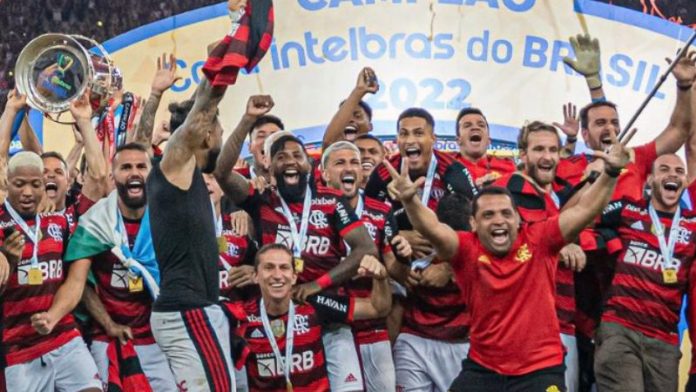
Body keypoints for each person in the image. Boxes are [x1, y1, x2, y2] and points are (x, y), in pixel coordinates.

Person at [386, 128, 630, 391]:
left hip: (540, 370)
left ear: (517, 219)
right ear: (473, 223)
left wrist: (611, 173)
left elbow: (585, 209)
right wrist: (410, 200)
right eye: (488, 215)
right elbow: (432, 228)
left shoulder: (540, 239)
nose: (499, 220)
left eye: (505, 213)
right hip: (484, 368)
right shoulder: (466, 248)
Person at [216, 122, 377, 391]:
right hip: (279, 316)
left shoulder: (332, 201)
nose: (290, 161)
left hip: (327, 312)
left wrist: (318, 284)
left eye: (297, 156)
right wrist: (246, 120)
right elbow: (221, 171)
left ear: (309, 165)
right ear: (269, 167)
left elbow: (366, 249)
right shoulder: (261, 199)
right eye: (281, 156)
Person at [146, 70, 235, 391]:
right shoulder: (176, 166)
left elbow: (201, 103)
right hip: (188, 312)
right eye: (221, 132)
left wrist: (220, 59)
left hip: (189, 310)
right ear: (208, 135)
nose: (221, 141)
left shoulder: (187, 173)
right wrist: (227, 64)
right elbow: (203, 110)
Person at [63, 143, 176, 391]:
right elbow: (79, 284)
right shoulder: (95, 222)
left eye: (141, 166)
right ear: (113, 177)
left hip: (157, 337)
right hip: (109, 336)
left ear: (152, 174)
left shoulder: (168, 220)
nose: (134, 172)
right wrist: (109, 324)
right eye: (126, 167)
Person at [493, 121, 586, 392]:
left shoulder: (563, 196)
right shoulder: (505, 189)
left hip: (563, 322)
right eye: (538, 149)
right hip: (520, 328)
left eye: (552, 150)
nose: (547, 156)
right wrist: (555, 243)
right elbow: (496, 240)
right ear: (522, 154)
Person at [592, 153, 696, 392]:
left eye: (679, 172)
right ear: (649, 180)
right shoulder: (628, 209)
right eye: (664, 169)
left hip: (665, 341)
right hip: (620, 329)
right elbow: (585, 216)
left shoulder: (693, 224)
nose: (672, 175)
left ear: (686, 181)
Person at [225, 243, 391, 392]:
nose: (277, 275)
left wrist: (381, 278)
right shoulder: (241, 315)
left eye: (284, 268)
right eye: (269, 267)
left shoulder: (313, 305)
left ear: (294, 276)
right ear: (255, 276)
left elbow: (377, 308)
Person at [0, 152, 101, 391]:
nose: (27, 192)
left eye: (35, 184)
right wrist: (9, 260)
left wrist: (53, 315)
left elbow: (74, 279)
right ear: (7, 182)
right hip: (19, 349)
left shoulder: (59, 223)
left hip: (63, 336)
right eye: (19, 184)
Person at [321, 141, 413, 392]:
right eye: (339, 163)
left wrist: (402, 256)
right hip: (329, 323)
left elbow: (394, 267)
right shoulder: (314, 209)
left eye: (354, 162)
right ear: (324, 173)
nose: (348, 168)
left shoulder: (381, 210)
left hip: (371, 323)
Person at [452, 107, 516, 186]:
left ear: (489, 140)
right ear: (458, 140)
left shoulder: (508, 167)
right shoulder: (446, 165)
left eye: (481, 125)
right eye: (467, 125)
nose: (475, 128)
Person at [322, 67, 378, 148]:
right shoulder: (333, 155)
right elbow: (329, 142)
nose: (350, 120)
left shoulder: (380, 157)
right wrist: (359, 90)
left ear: (370, 126)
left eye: (357, 116)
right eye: (345, 117)